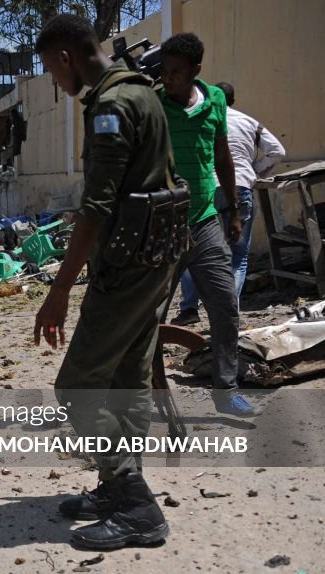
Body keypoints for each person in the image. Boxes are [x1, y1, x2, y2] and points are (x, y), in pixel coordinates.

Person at [32, 14, 176, 550]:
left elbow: (96, 207)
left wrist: (59, 289)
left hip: (127, 263)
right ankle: (118, 488)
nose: (53, 81)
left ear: (67, 57)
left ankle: (135, 504)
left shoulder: (111, 106)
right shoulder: (140, 90)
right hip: (155, 257)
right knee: (126, 382)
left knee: (75, 389)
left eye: (51, 68)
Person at [159, 33, 261, 417]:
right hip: (162, 229)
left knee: (224, 304)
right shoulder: (154, 106)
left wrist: (233, 209)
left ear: (195, 71)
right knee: (149, 315)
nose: (167, 79)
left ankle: (226, 390)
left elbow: (222, 156)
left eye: (175, 72)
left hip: (204, 222)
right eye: (163, 71)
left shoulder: (215, 101)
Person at [174, 81, 286, 319]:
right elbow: (277, 151)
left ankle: (189, 308)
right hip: (240, 189)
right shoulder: (248, 122)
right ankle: (226, 312)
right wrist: (253, 172)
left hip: (204, 189)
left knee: (192, 251)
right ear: (232, 101)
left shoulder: (200, 117)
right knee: (237, 256)